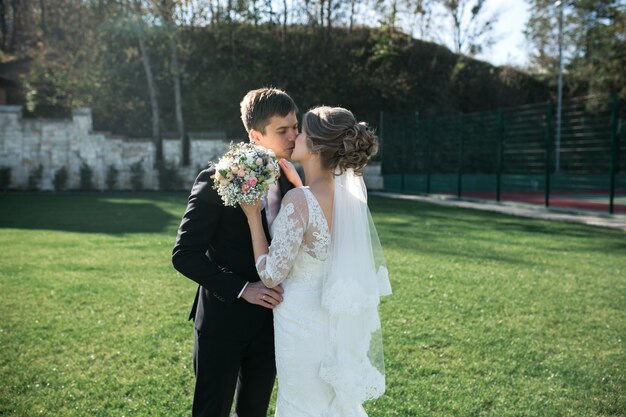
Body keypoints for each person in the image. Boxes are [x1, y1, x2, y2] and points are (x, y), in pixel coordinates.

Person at [241, 106, 392, 416]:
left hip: (300, 324)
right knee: (328, 403)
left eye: (303, 132)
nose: (295, 135)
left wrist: (253, 216)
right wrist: (300, 186)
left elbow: (270, 275)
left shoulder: (299, 200)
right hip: (333, 322)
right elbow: (319, 232)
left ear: (318, 146)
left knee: (301, 404)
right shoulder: (349, 200)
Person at [172, 87, 299, 417]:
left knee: (254, 411)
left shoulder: (292, 180)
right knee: (211, 411)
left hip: (272, 323)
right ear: (256, 136)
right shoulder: (217, 179)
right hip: (222, 324)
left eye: (295, 127)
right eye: (282, 130)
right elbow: (184, 254)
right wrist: (244, 289)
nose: (293, 137)